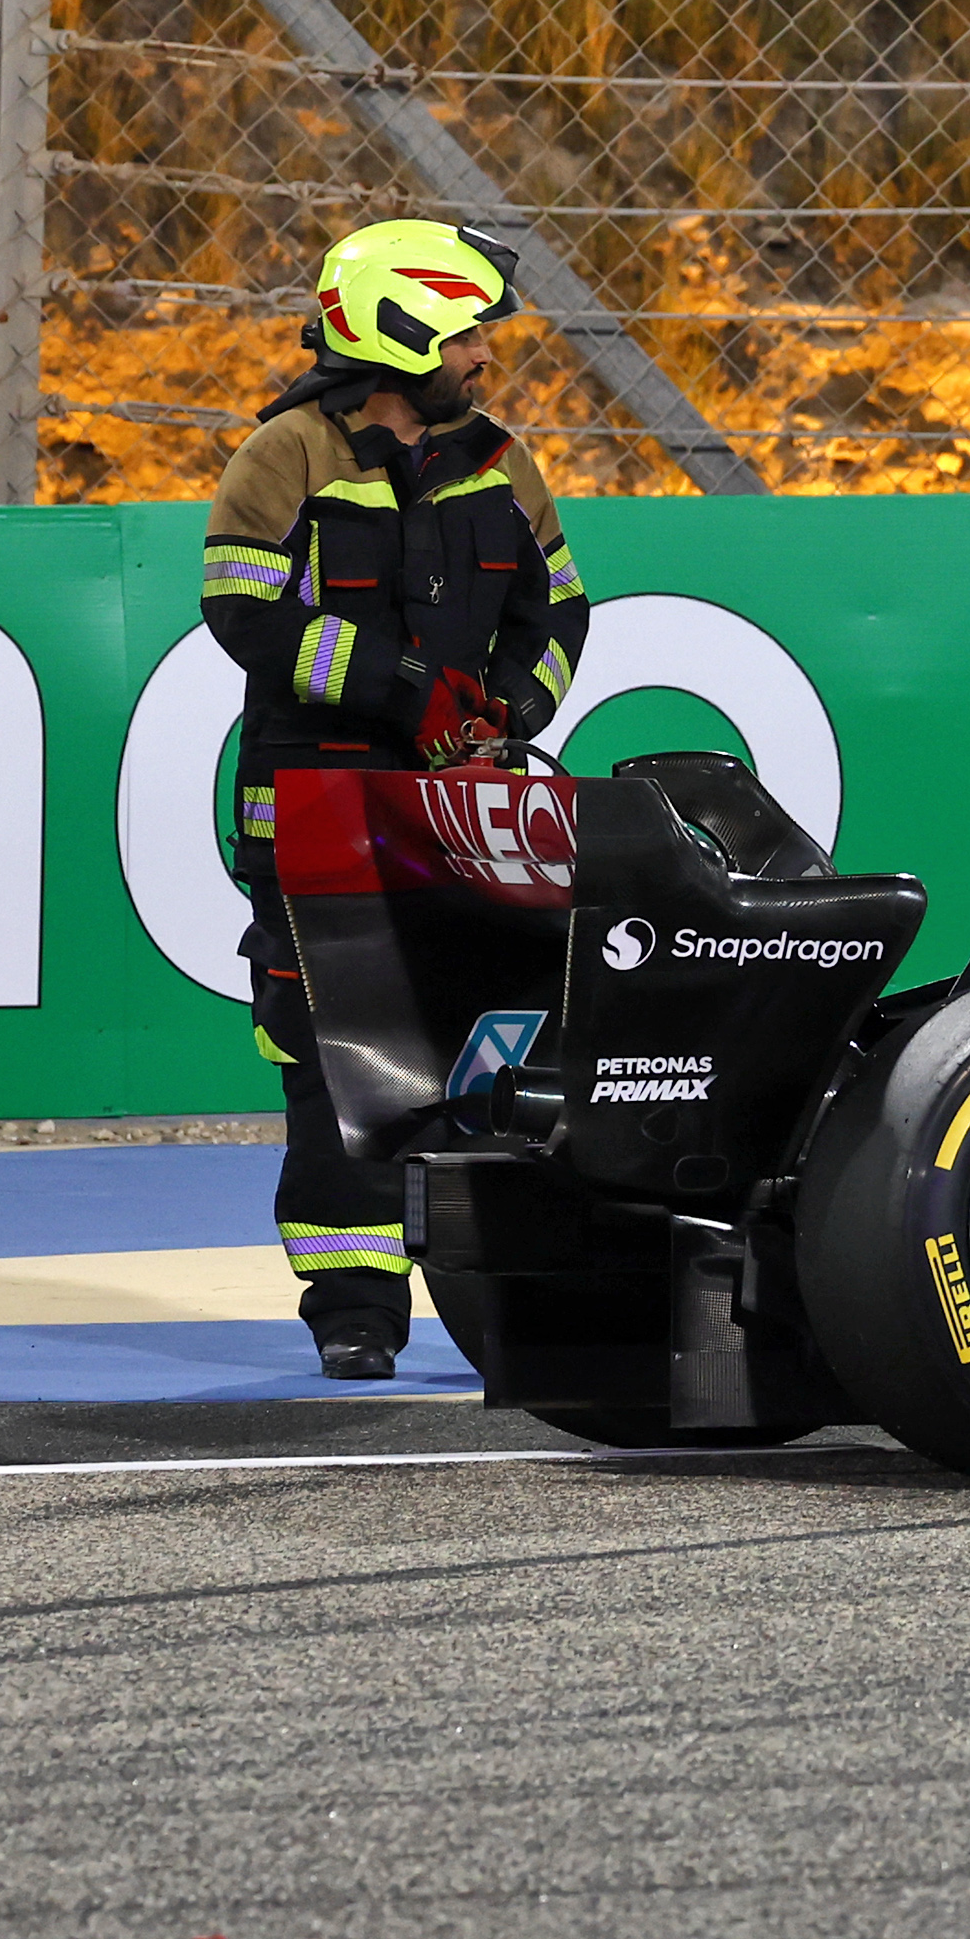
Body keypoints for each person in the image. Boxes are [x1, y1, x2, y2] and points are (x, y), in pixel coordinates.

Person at [197, 218, 591, 1381]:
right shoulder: (284, 455)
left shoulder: (503, 459)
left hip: (467, 809)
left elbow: (559, 611)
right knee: (335, 1057)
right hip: (319, 812)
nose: (484, 354)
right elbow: (245, 615)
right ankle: (355, 1304)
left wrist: (517, 702)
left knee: (500, 1049)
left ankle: (512, 1289)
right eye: (467, 329)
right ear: (404, 331)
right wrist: (395, 683)